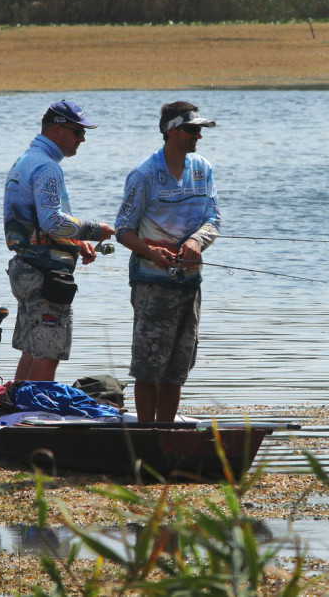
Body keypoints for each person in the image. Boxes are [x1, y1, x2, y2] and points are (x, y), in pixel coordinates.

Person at [114, 101, 220, 422]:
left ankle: (166, 433)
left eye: (199, 130)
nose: (197, 136)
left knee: (176, 369)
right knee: (148, 368)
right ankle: (147, 435)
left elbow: (213, 220)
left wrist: (195, 241)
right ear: (171, 132)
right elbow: (122, 229)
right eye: (191, 129)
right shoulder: (144, 174)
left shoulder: (203, 169)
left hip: (190, 285)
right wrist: (151, 253)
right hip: (151, 285)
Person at [3, 99, 115, 381]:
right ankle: (35, 418)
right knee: (48, 351)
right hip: (45, 276)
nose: (83, 138)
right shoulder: (47, 167)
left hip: (25, 268)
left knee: (31, 350)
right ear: (57, 130)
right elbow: (52, 220)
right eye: (78, 132)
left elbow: (38, 223)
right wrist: (93, 230)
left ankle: (18, 412)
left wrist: (77, 242)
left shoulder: (24, 160)